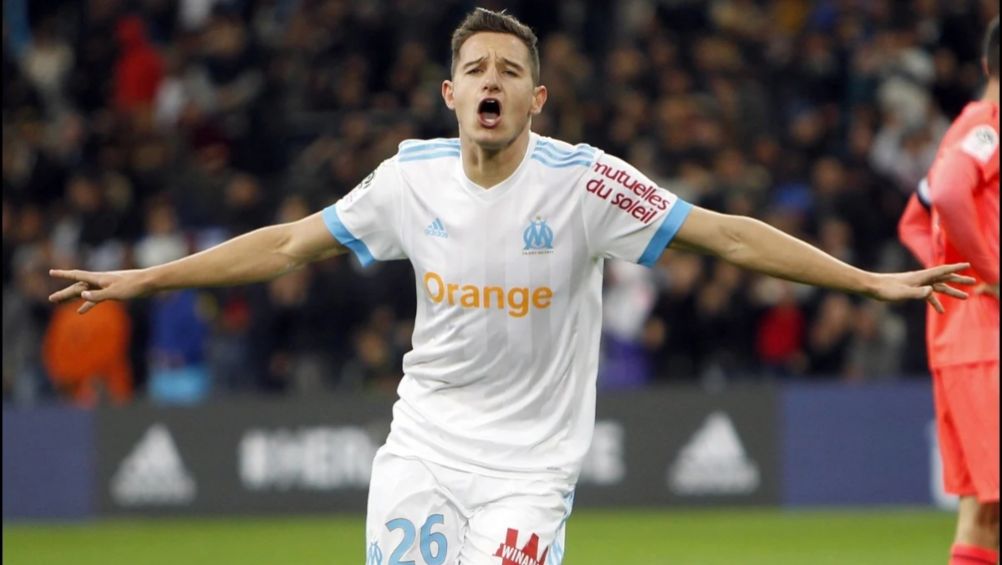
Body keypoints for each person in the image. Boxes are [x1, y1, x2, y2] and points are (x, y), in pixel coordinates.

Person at [51, 9, 973, 565]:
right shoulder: (406, 179)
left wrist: (866, 281)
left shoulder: (587, 183)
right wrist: (147, 278)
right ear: (449, 94)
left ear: (538, 99)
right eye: (475, 69)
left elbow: (725, 233)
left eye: (511, 70)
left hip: (530, 475)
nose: (491, 80)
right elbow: (290, 245)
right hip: (422, 450)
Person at [898, 17, 999, 565]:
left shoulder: (959, 133)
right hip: (987, 342)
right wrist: (991, 275)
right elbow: (952, 196)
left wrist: (953, 275)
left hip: (963, 339)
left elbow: (914, 220)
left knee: (982, 516)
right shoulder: (987, 129)